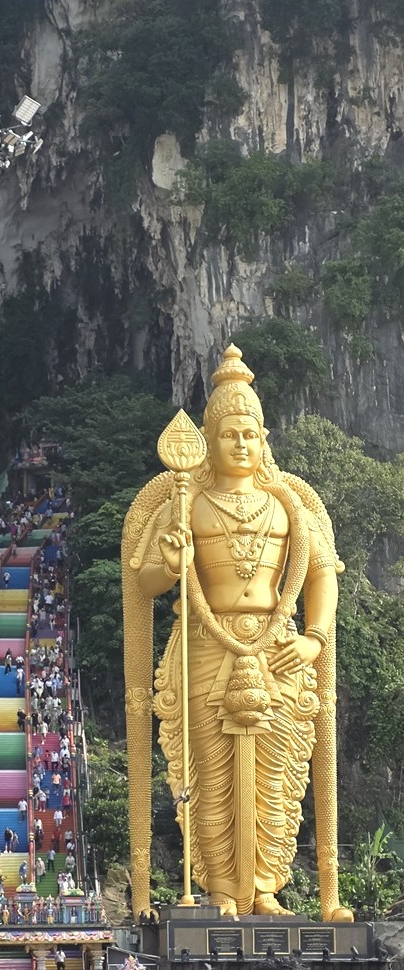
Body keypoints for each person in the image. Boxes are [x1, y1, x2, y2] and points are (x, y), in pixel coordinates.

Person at [123, 344, 352, 922]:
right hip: (205, 644)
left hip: (277, 646)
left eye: (250, 433)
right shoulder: (187, 503)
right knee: (210, 770)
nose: (241, 444)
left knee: (277, 771)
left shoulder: (288, 504)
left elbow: (322, 571)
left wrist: (314, 638)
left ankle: (268, 888)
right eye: (229, 434)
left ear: (264, 437)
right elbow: (145, 580)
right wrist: (171, 561)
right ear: (208, 439)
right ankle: (221, 890)